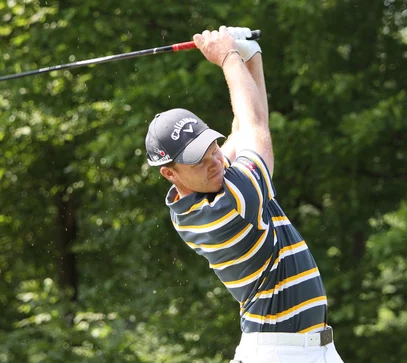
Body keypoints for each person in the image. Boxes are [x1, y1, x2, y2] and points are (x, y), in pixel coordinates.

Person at [144, 26, 344, 363]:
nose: (214, 161)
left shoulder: (212, 182)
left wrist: (248, 55)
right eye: (198, 159)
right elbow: (256, 130)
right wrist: (226, 57)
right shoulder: (226, 207)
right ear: (170, 173)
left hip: (308, 349)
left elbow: (248, 120)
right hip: (280, 353)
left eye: (212, 147)